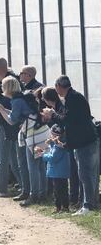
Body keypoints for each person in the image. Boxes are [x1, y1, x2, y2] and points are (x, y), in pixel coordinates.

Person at [42, 75, 99, 215]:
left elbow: (66, 120)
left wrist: (52, 114)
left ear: (59, 87)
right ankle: (89, 203)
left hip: (85, 141)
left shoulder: (73, 99)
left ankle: (88, 205)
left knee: (86, 174)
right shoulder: (73, 97)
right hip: (85, 140)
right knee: (87, 174)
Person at [0, 76, 49, 207]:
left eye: (3, 86)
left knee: (32, 165)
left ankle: (34, 195)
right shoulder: (21, 97)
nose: (1, 88)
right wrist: (2, 109)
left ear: (8, 88)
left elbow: (12, 120)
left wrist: (0, 110)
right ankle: (42, 193)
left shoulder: (16, 101)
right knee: (39, 165)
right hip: (40, 132)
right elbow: (17, 114)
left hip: (33, 135)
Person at [41, 124, 70, 213]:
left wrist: (43, 155)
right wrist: (51, 143)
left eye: (51, 134)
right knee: (63, 190)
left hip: (57, 173)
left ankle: (59, 207)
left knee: (58, 191)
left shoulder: (58, 147)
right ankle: (64, 207)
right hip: (62, 172)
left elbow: (53, 158)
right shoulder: (59, 145)